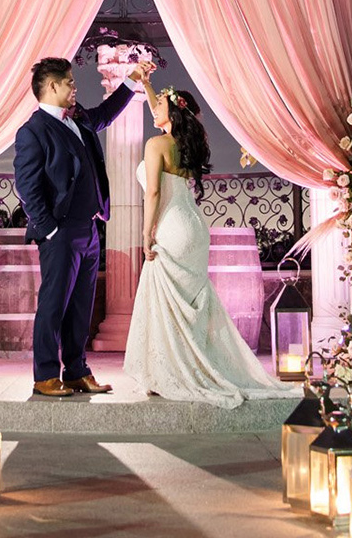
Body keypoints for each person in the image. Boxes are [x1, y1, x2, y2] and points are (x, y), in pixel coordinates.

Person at [124, 74, 298, 407]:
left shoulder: (154, 145)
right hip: (194, 229)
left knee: (168, 302)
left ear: (172, 113)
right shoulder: (184, 143)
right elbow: (162, 111)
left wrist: (146, 233)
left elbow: (155, 193)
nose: (152, 110)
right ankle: (192, 364)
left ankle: (174, 370)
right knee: (190, 301)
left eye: (158, 105)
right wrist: (147, 85)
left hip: (170, 227)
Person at [12, 55, 148, 398]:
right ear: (53, 86)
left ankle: (76, 371)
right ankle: (45, 375)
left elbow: (105, 115)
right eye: (70, 82)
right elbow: (28, 187)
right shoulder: (32, 131)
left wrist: (132, 80)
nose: (75, 87)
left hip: (89, 230)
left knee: (81, 307)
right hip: (60, 232)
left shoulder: (79, 118)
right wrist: (50, 229)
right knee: (54, 304)